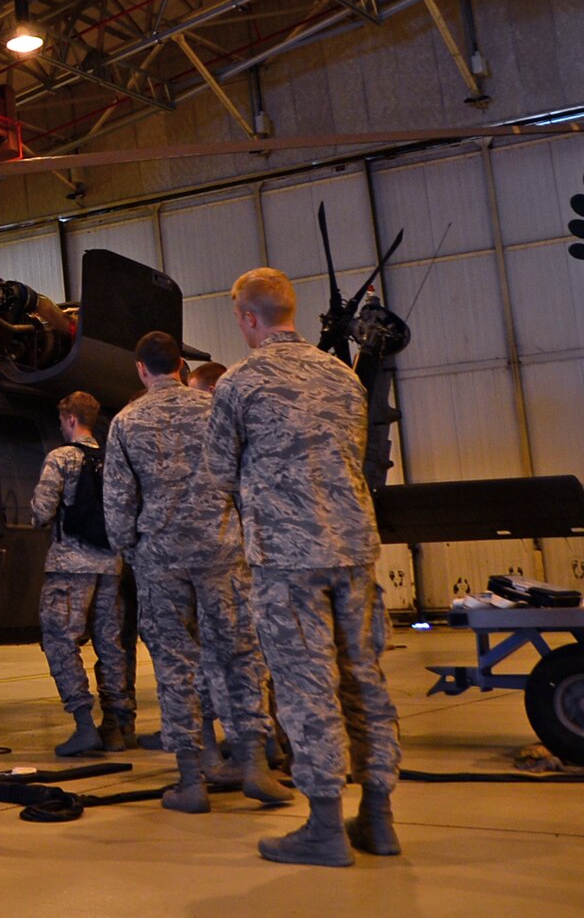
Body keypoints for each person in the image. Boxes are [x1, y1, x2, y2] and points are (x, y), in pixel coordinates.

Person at [204, 267, 400, 867]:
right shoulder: (342, 377)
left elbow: (217, 471)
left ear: (247, 317)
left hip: (287, 559)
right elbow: (361, 450)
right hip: (354, 549)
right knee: (363, 677)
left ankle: (322, 826)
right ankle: (378, 817)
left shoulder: (240, 384)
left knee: (305, 683)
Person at [103, 332, 292, 814]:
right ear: (183, 366)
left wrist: (133, 547)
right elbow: (246, 479)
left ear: (141, 370)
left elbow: (119, 504)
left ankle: (191, 779)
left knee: (175, 666)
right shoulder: (214, 411)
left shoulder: (126, 422)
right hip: (222, 552)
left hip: (160, 559)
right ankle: (254, 764)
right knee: (239, 655)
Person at [31, 391, 135, 755]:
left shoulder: (61, 459)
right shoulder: (113, 460)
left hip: (70, 568)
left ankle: (83, 724)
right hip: (110, 566)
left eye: (62, 421)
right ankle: (118, 726)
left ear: (71, 420)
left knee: (60, 639)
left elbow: (43, 511)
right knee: (110, 644)